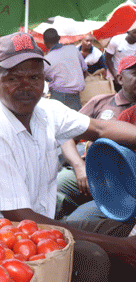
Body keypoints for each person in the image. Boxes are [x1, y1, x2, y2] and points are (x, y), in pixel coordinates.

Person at [0, 32, 136, 282]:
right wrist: (121, 248)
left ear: (44, 80)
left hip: (36, 229)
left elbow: (101, 128)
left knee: (122, 230)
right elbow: (22, 218)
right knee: (91, 257)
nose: (25, 86)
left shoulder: (45, 111)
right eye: (13, 78)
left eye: (34, 77)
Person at [57, 55, 136, 220]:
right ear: (120, 78)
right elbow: (66, 136)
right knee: (56, 186)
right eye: (135, 73)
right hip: (89, 170)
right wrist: (79, 167)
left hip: (125, 181)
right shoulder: (101, 102)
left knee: (84, 219)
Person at [42, 28, 87, 111]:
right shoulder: (73, 49)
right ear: (59, 38)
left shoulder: (46, 59)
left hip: (57, 96)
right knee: (74, 122)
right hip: (75, 97)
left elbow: (44, 78)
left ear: (45, 43)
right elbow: (84, 70)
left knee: (56, 122)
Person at [104, 27, 136, 91]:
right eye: (135, 31)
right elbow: (107, 59)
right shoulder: (116, 40)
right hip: (115, 75)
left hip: (130, 76)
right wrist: (115, 75)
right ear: (129, 31)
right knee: (117, 96)